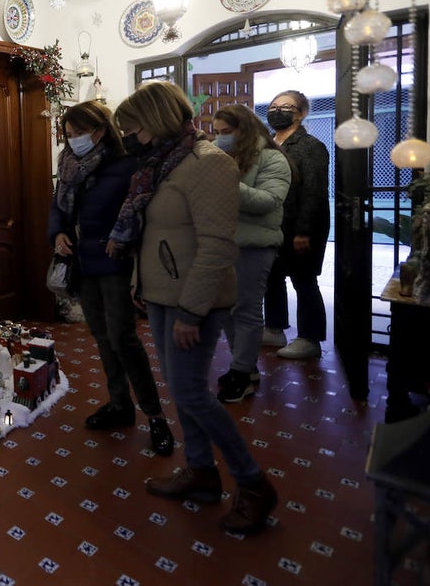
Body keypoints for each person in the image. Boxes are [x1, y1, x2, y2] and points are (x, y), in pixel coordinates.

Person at [108, 80, 277, 535]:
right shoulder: (164, 162)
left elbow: (218, 244)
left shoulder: (208, 164)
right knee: (182, 389)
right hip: (165, 296)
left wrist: (192, 312)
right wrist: (143, 284)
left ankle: (253, 482)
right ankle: (201, 471)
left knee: (191, 394)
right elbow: (157, 232)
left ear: (159, 119)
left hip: (192, 302)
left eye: (138, 127)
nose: (135, 137)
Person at [47, 100, 173, 456]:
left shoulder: (127, 165)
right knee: (102, 336)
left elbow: (138, 215)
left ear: (100, 131)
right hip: (84, 265)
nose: (72, 141)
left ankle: (155, 415)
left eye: (78, 134)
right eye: (68, 135)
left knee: (124, 339)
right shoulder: (68, 165)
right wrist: (58, 233)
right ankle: (120, 404)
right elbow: (57, 205)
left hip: (115, 263)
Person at [212, 104, 293, 402]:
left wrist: (226, 182)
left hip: (254, 245)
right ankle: (243, 366)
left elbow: (268, 201)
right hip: (221, 243)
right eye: (217, 133)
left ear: (244, 130)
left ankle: (242, 372)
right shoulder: (220, 157)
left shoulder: (272, 158)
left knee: (246, 308)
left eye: (227, 132)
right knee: (226, 309)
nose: (220, 138)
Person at [262, 89, 331, 360]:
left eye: (287, 107)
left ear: (301, 113)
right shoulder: (268, 143)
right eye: (274, 106)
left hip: (300, 226)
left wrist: (303, 231)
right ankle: (274, 328)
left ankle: (309, 339)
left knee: (303, 281)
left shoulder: (310, 146)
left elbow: (314, 191)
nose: (278, 111)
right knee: (272, 277)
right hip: (272, 224)